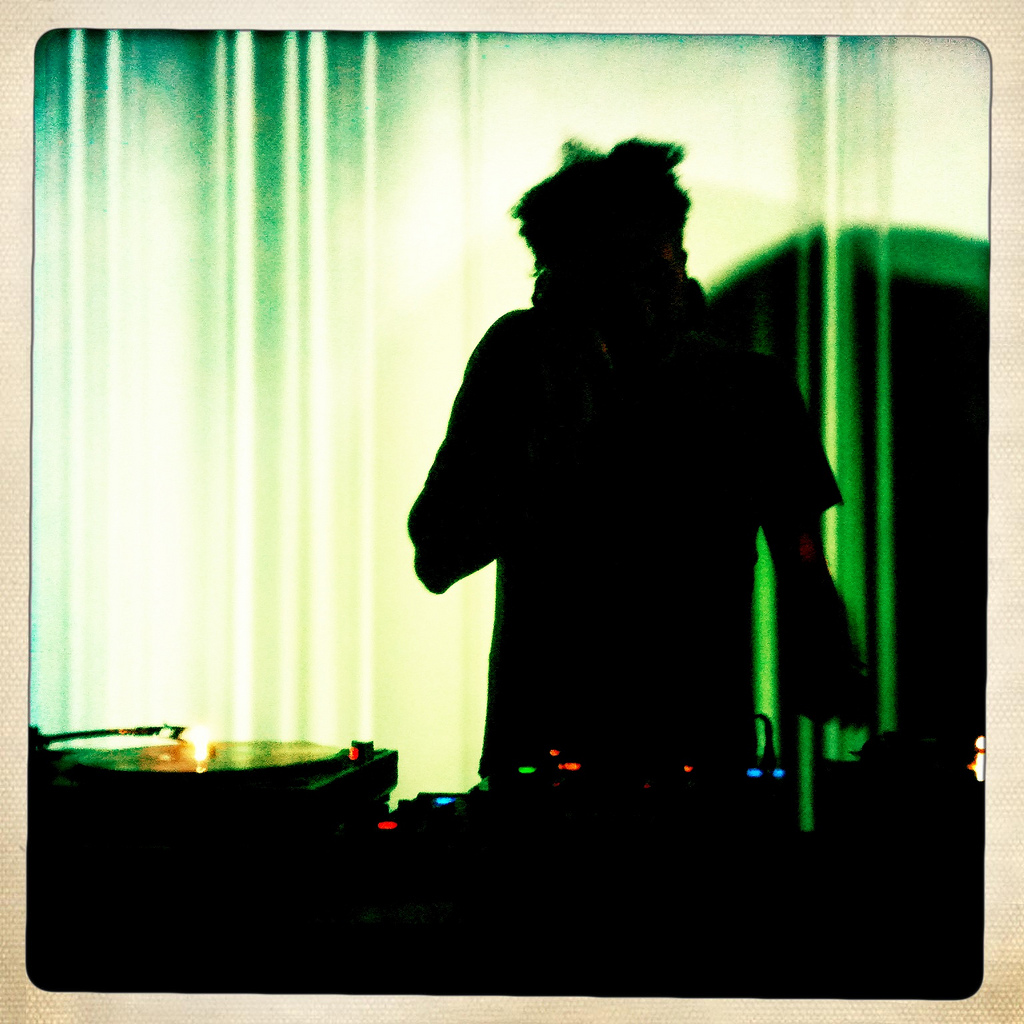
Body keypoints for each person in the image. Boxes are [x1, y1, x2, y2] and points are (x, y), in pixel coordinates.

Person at [409, 139, 862, 800]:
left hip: (632, 764)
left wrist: (826, 651)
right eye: (614, 280)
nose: (638, 302)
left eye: (650, 274)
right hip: (615, 769)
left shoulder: (748, 387)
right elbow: (439, 552)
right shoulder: (525, 364)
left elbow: (801, 564)